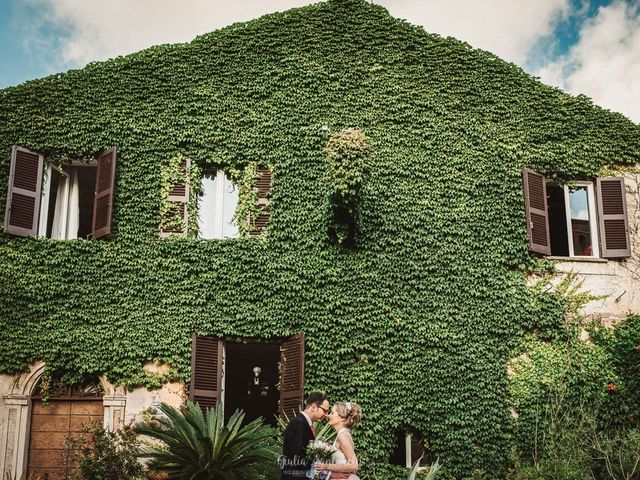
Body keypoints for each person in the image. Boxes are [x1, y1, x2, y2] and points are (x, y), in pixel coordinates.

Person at [281, 392, 330, 479]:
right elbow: (297, 456)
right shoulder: (299, 423)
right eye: (324, 410)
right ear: (314, 407)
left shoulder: (304, 423)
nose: (326, 415)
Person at [315, 401, 362, 480]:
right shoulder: (341, 434)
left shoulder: (343, 436)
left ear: (341, 418)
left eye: (332, 413)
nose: (328, 416)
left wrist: (326, 466)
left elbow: (354, 465)